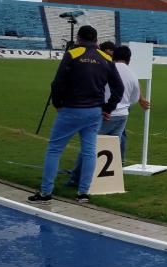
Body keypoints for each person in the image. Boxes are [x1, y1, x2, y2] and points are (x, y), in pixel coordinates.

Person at [27, 25, 124, 204]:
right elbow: (118, 88)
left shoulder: (72, 53)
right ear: (97, 40)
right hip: (94, 111)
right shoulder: (105, 57)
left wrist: (58, 104)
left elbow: (57, 83)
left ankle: (46, 192)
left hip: (71, 109)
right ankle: (83, 193)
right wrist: (108, 108)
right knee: (89, 151)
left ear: (79, 38)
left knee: (54, 149)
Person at [67, 46, 150, 186]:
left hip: (104, 112)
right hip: (122, 115)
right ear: (129, 59)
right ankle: (105, 179)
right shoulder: (132, 74)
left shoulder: (106, 68)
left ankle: (76, 178)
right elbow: (135, 99)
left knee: (89, 146)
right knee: (110, 147)